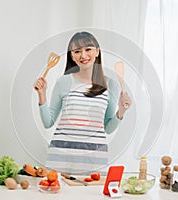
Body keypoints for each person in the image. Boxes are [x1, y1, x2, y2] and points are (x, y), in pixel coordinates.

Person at [33, 31, 132, 174]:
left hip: (95, 158)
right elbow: (48, 123)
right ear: (72, 56)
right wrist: (41, 95)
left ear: (97, 51)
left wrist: (121, 110)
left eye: (88, 49)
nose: (83, 55)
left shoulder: (111, 85)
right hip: (61, 157)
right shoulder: (63, 82)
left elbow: (108, 128)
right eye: (77, 51)